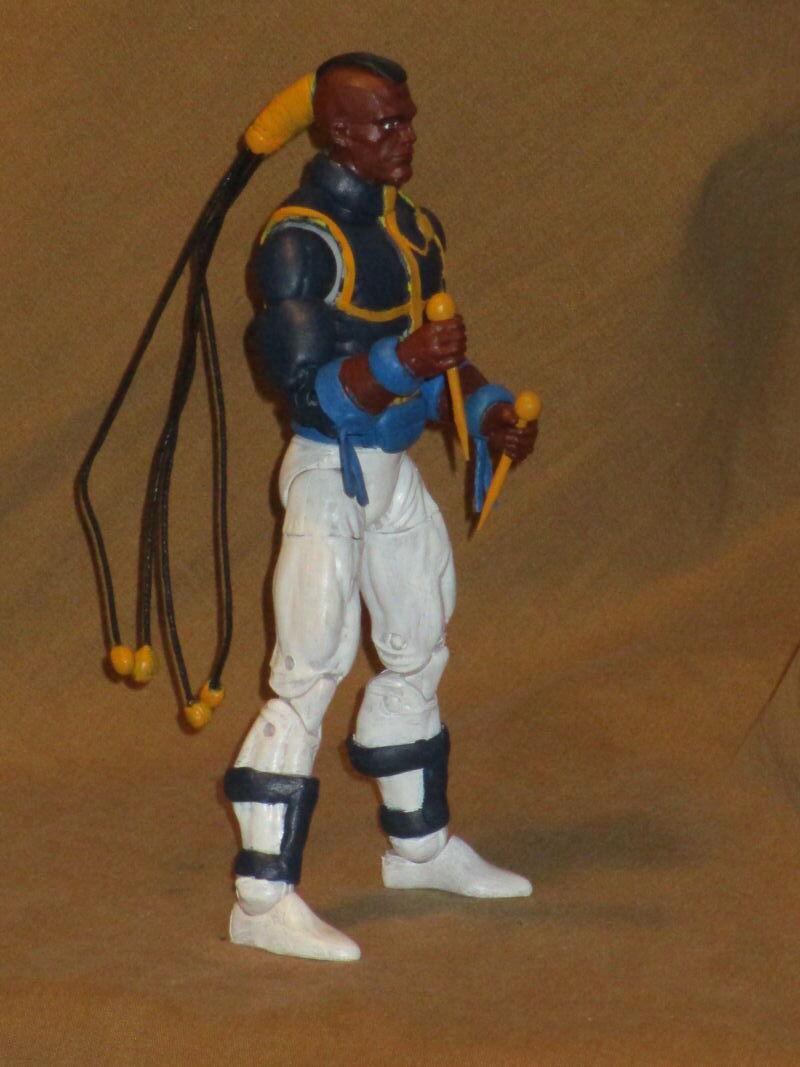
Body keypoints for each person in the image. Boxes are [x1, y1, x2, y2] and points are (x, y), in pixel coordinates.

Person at [223, 52, 537, 962]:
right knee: (308, 671)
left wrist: (485, 409)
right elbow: (306, 389)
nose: (406, 137)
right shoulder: (299, 243)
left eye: (408, 117)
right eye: (387, 123)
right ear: (338, 132)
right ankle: (260, 897)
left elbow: (438, 364)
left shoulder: (412, 227)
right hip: (330, 472)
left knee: (417, 643)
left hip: (393, 470)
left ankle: (419, 845)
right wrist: (408, 362)